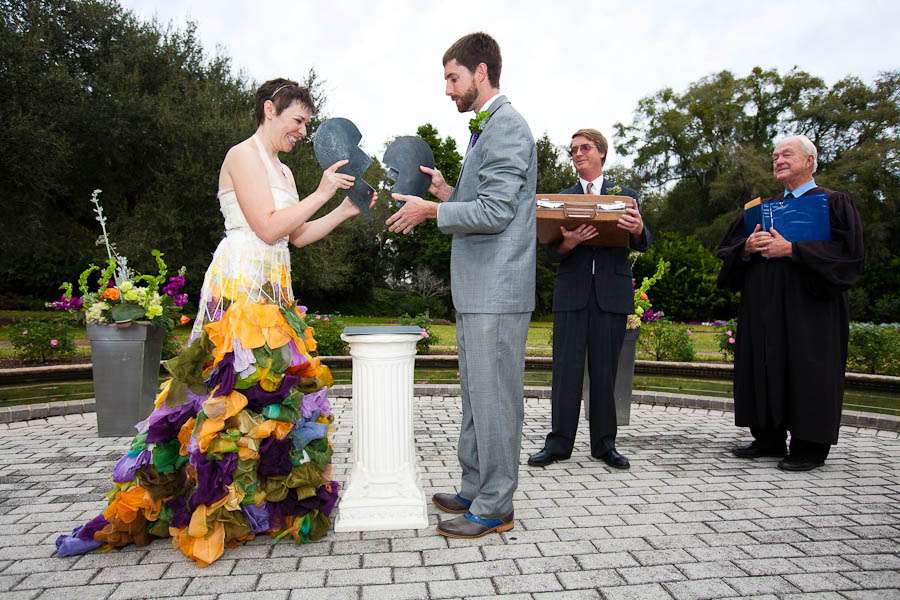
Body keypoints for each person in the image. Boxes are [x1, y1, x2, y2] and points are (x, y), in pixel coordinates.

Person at [56, 78, 375, 565]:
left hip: (275, 290)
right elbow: (266, 226)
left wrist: (346, 209)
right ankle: (174, 499)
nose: (301, 131)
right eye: (297, 120)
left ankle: (251, 506)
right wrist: (322, 190)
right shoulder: (241, 155)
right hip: (239, 285)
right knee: (218, 393)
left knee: (269, 394)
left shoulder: (285, 172)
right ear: (269, 110)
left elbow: (297, 235)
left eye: (306, 123)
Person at [387, 32, 536, 539]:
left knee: (495, 401)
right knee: (476, 396)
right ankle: (475, 487)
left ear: (481, 72)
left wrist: (432, 210)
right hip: (479, 291)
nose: (447, 89)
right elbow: (485, 200)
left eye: (453, 78)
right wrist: (448, 191)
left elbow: (495, 213)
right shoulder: (486, 129)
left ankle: (496, 506)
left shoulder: (507, 127)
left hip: (497, 292)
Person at [717, 135, 864, 471]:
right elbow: (726, 251)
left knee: (808, 369)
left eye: (787, 155)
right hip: (763, 307)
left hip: (811, 310)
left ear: (809, 161)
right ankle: (767, 438)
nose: (779, 160)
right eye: (775, 156)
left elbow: (850, 256)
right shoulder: (758, 210)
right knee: (764, 365)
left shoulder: (833, 203)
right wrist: (747, 247)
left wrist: (793, 250)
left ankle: (809, 447)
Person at [527, 129, 650, 470]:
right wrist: (569, 243)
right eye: (573, 150)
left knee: (605, 373)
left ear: (601, 153)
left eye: (585, 148)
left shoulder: (625, 196)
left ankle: (604, 445)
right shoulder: (560, 199)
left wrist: (638, 229)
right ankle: (558, 444)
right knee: (565, 372)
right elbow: (550, 253)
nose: (578, 154)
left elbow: (643, 242)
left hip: (611, 297)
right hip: (571, 296)